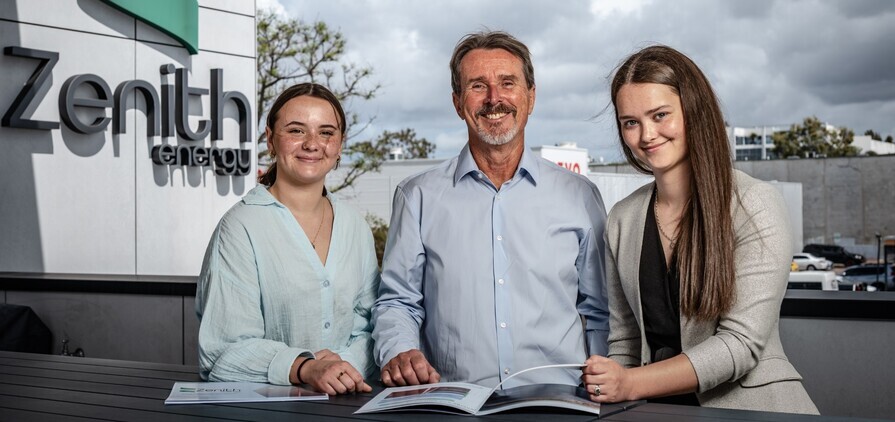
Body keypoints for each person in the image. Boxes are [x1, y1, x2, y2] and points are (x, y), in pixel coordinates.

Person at [581, 45, 818, 414]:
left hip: (753, 411)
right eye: (630, 122)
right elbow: (625, 341)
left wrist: (630, 384)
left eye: (660, 115)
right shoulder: (622, 219)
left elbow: (740, 344)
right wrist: (614, 398)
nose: (646, 135)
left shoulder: (755, 204)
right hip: (656, 412)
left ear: (694, 111)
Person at [372, 31, 609, 389]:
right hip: (452, 405)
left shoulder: (580, 196)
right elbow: (398, 301)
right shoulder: (416, 196)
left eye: (507, 83)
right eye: (477, 86)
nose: (494, 99)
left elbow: (601, 314)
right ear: (457, 102)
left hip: (561, 404)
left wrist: (603, 390)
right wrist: (400, 349)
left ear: (530, 96)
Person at [196, 83, 379, 395]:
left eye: (326, 132)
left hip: (349, 405)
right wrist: (305, 367)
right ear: (270, 138)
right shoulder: (240, 227)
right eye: (296, 130)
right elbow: (221, 352)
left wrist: (341, 368)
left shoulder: (354, 226)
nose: (312, 144)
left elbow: (369, 325)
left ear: (339, 145)